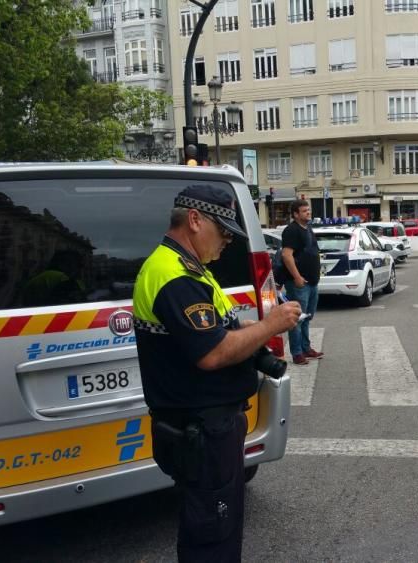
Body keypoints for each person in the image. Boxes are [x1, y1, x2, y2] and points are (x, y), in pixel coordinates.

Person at [132, 185, 301, 562]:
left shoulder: (190, 270)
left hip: (207, 427)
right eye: (223, 230)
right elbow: (212, 352)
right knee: (212, 535)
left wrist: (250, 335)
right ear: (194, 220)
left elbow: (220, 330)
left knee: (215, 526)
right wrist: (270, 325)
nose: (227, 241)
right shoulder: (174, 276)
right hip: (201, 428)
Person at [281, 199, 324, 365]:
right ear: (295, 214)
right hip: (299, 283)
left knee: (307, 317)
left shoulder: (308, 228)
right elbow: (286, 255)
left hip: (312, 282)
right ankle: (297, 353)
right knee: (297, 319)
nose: (308, 212)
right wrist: (297, 277)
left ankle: (306, 348)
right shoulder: (291, 231)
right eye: (304, 211)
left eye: (309, 210)